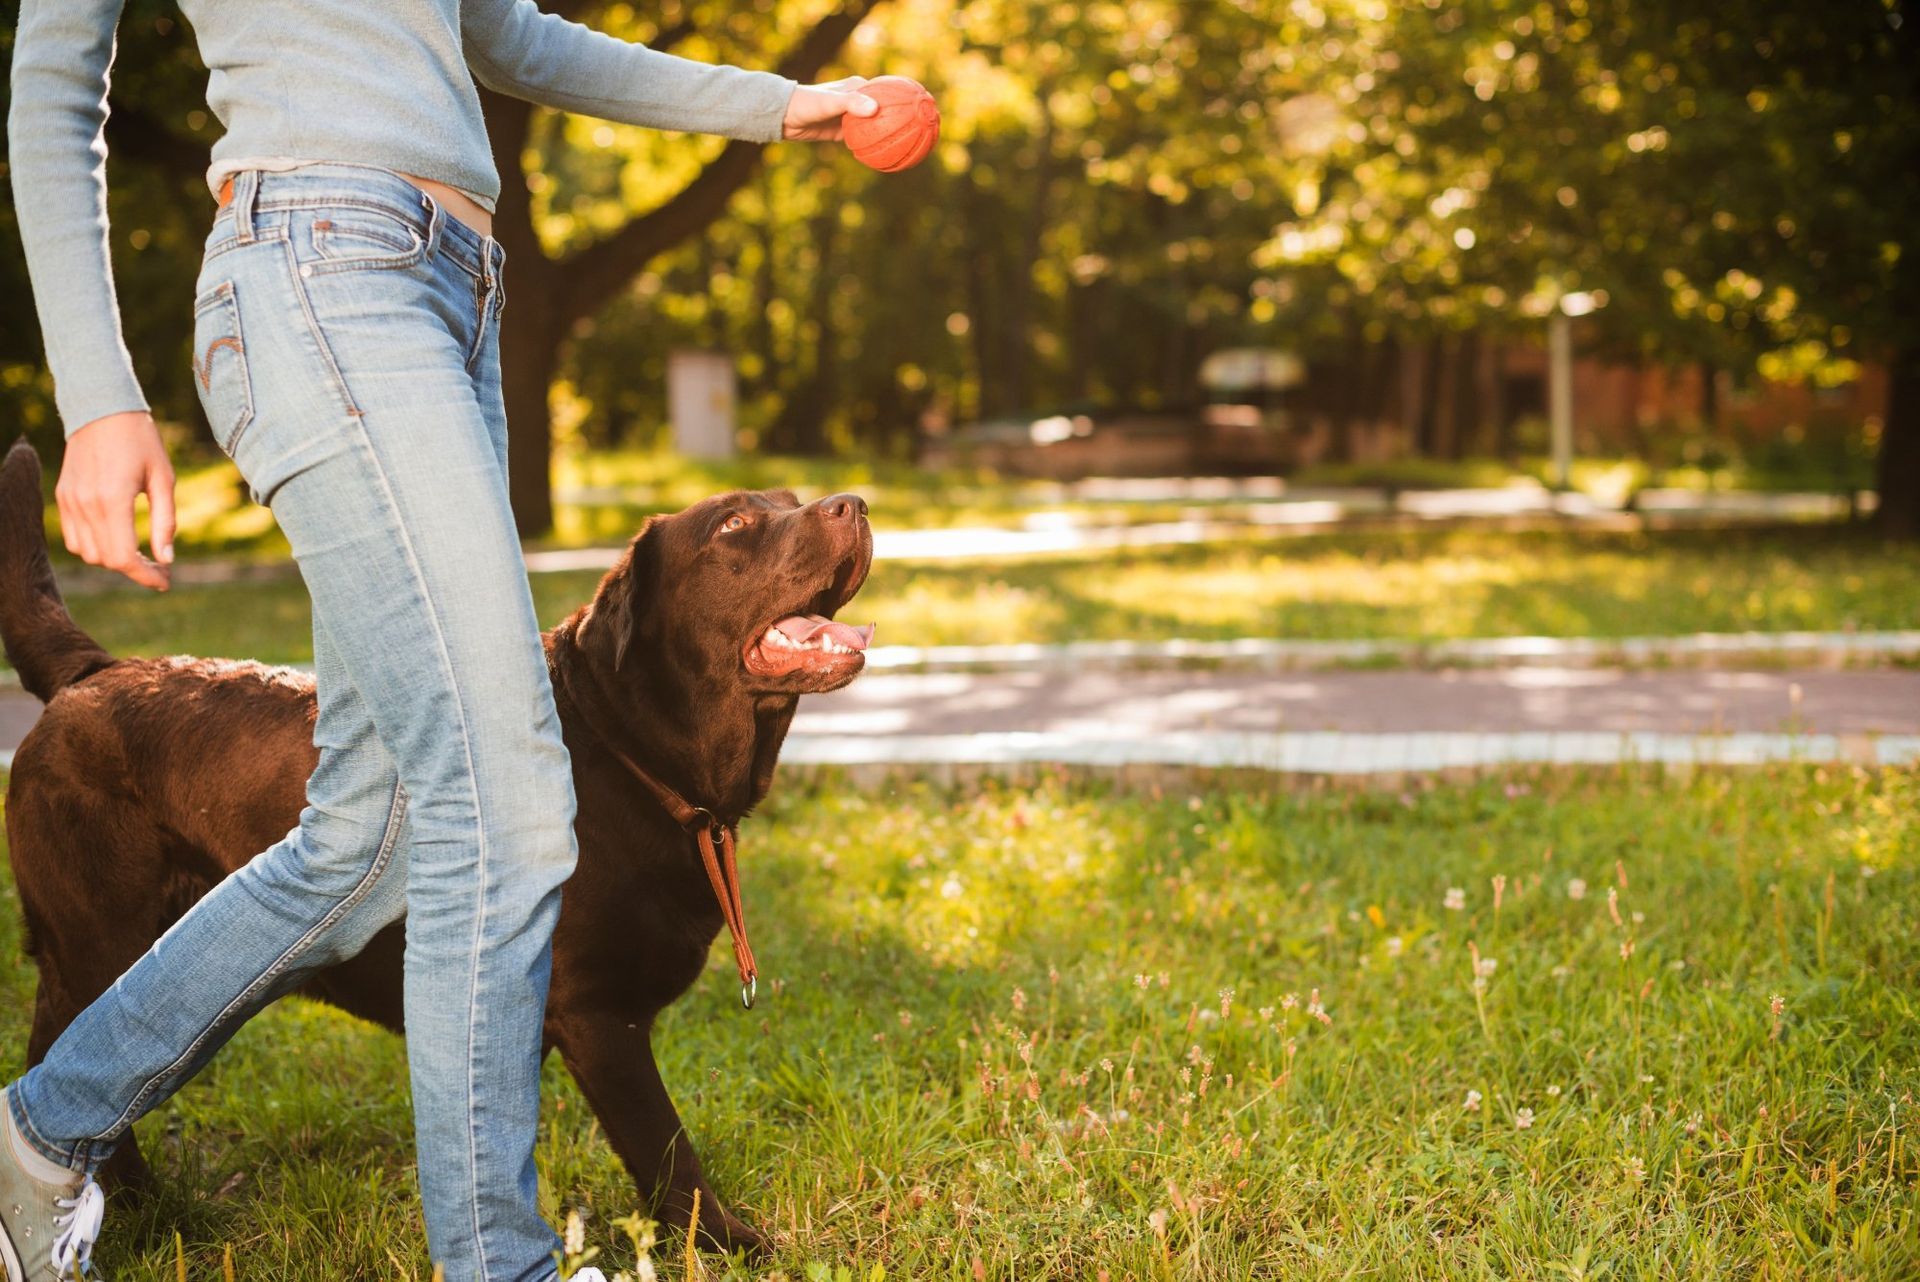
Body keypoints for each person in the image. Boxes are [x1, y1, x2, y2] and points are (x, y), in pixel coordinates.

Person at [0, 2, 879, 1278]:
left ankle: (38, 1134)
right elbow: (56, 74)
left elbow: (506, 34)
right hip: (318, 264)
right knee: (510, 801)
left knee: (363, 833)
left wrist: (780, 103)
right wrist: (97, 393)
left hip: (454, 288)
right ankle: (500, 1263)